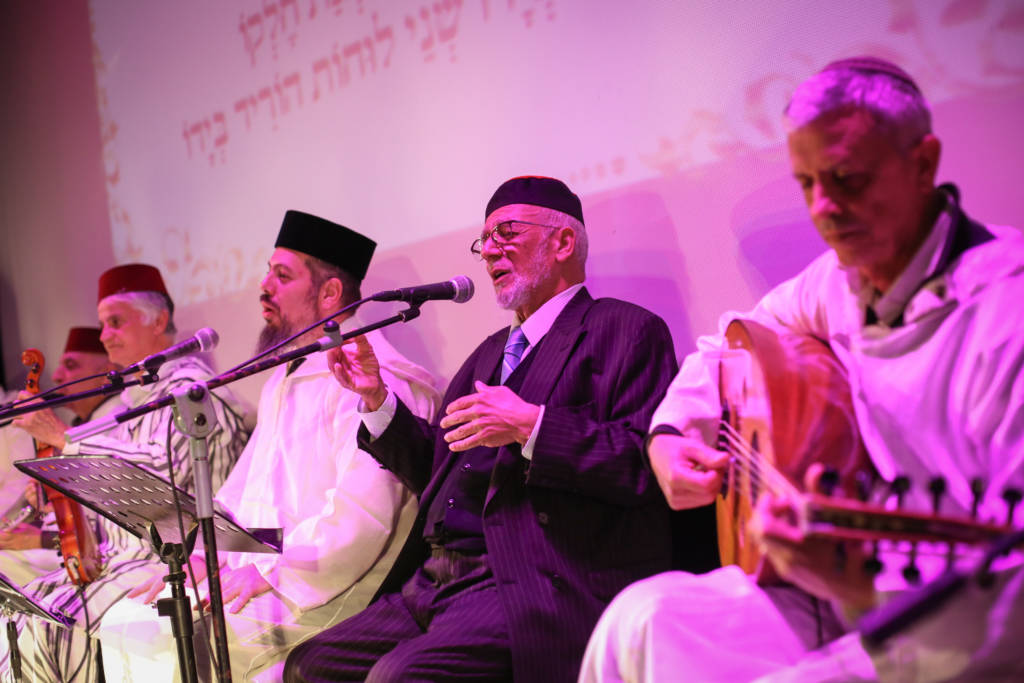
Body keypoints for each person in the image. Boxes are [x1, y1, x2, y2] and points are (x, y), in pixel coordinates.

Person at [578, 57, 1024, 682]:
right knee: (641, 617)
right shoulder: (839, 281)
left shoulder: (1006, 313)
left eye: (847, 179)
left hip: (961, 623)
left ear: (923, 164)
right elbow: (725, 343)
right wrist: (671, 436)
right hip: (852, 584)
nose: (824, 208)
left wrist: (856, 583)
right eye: (807, 182)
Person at [283, 176, 704, 683]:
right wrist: (376, 399)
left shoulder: (625, 330)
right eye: (485, 241)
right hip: (435, 581)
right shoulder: (487, 354)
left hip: (528, 578)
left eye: (507, 233)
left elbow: (639, 465)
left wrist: (533, 427)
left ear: (563, 243)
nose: (490, 253)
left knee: (399, 678)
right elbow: (441, 472)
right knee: (310, 666)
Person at [109, 210, 441, 681]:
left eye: (281, 275)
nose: (264, 285)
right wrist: (209, 553)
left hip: (323, 589)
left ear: (329, 293)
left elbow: (360, 520)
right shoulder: (286, 376)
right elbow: (244, 494)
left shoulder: (374, 380)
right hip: (266, 575)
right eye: (267, 270)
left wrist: (269, 573)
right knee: (125, 621)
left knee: (159, 639)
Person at [7, 263, 251, 681]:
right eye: (102, 325)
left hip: (172, 560)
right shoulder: (136, 401)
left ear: (158, 321)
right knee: (18, 608)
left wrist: (65, 439)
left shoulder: (194, 391)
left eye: (115, 322)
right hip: (124, 557)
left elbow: (161, 476)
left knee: (52, 625)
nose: (104, 336)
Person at [0, 326, 118, 587]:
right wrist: (48, 503)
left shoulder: (117, 426)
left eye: (71, 365)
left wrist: (39, 539)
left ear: (106, 373)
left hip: (114, 561)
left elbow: (113, 523)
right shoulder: (84, 426)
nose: (56, 376)